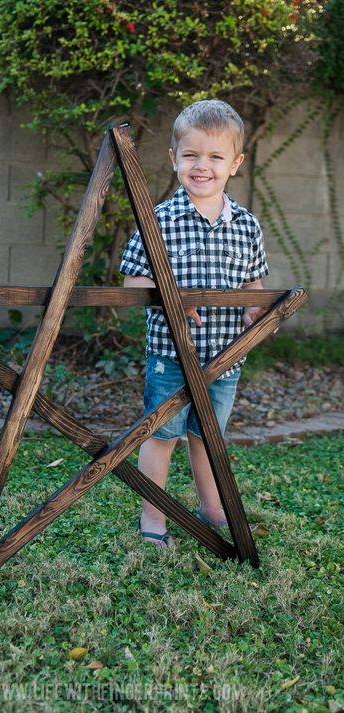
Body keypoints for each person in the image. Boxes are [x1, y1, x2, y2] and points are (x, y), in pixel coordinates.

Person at [119, 99, 269, 547]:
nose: (202, 166)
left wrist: (257, 311)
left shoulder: (246, 226)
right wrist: (170, 299)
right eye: (191, 155)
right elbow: (132, 282)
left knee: (209, 435)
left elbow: (253, 286)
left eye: (215, 156)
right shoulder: (157, 220)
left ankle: (212, 508)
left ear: (235, 164)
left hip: (224, 358)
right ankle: (154, 519)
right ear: (174, 159)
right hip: (171, 355)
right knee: (162, 435)